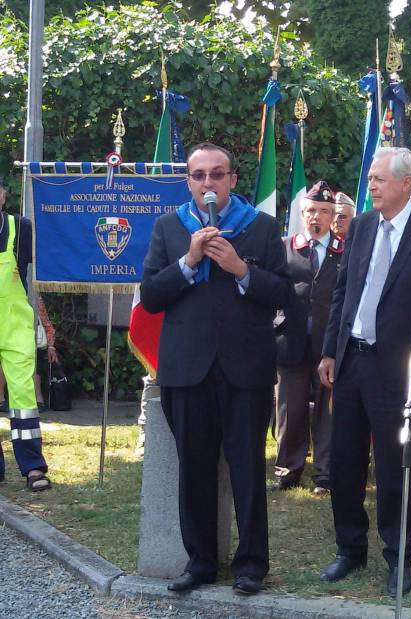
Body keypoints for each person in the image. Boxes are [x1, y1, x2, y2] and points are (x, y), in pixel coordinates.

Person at [140, 143, 289, 596]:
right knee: (196, 470)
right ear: (189, 181)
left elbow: (284, 294)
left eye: (217, 175)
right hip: (187, 370)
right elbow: (150, 297)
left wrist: (241, 269)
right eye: (199, 175)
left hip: (246, 369)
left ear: (231, 181)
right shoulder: (169, 228)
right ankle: (201, 561)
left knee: (246, 468)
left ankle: (250, 565)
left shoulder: (261, 228)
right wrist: (188, 262)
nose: (208, 183)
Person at [317, 147, 411, 596]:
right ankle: (348, 548)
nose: (370, 185)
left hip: (396, 367)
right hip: (352, 359)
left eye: (378, 178)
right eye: (370, 178)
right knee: (344, 460)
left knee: (394, 464)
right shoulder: (359, 226)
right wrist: (330, 351)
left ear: (406, 185)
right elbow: (343, 293)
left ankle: (398, 557)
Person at [270, 181, 345, 495]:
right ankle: (288, 470)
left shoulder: (345, 250)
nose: (317, 217)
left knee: (329, 411)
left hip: (330, 345)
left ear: (332, 217)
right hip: (292, 340)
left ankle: (326, 474)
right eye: (312, 210)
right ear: (302, 213)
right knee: (291, 408)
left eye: (325, 212)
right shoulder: (284, 247)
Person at [0, 179, 51, 492]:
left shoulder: (21, 228)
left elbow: (36, 274)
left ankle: (32, 467)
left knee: (23, 397)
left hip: (14, 325)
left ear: (4, 194)